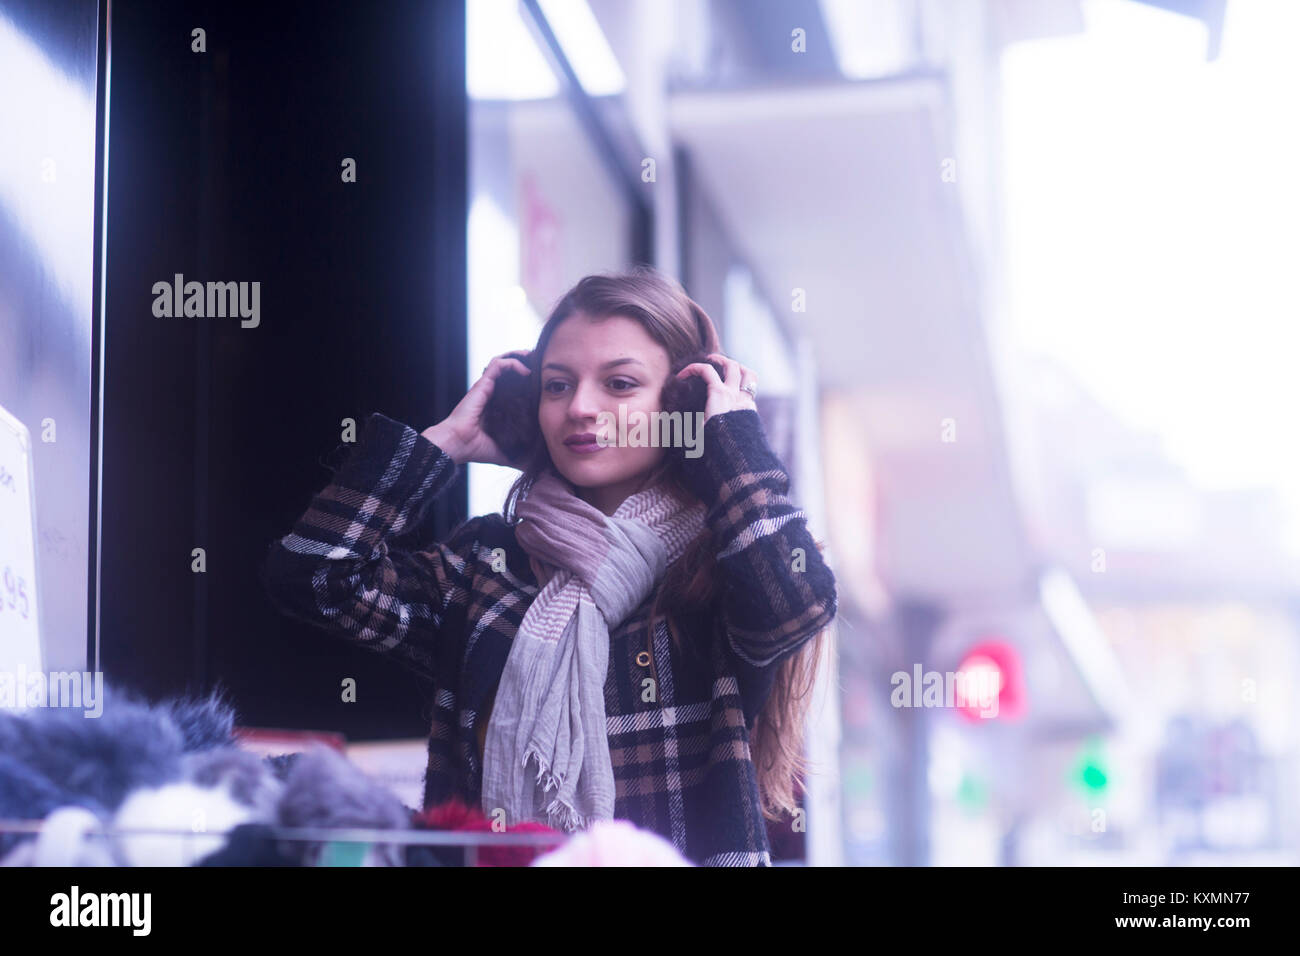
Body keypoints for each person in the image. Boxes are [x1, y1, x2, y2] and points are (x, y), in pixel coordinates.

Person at [259, 265, 837, 866]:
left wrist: (730, 438)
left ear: (681, 404)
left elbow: (797, 602)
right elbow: (314, 576)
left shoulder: (718, 565)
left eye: (619, 384)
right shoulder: (487, 566)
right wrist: (442, 445)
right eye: (557, 386)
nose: (580, 408)